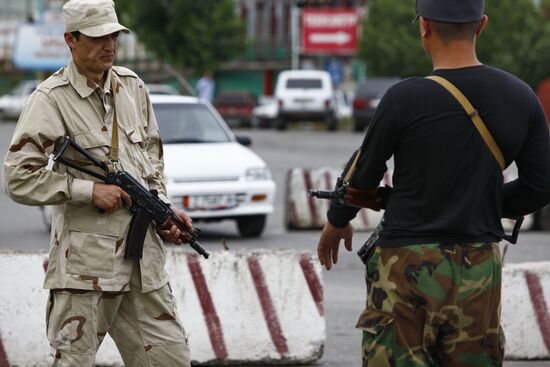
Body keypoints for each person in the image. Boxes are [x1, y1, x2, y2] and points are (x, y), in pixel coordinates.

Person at [315, 0, 550, 366]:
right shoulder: (521, 96)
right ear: (482, 25)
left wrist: (337, 220)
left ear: (423, 26)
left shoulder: (402, 98)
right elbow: (541, 184)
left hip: (405, 264)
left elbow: (362, 175)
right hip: (479, 264)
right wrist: (480, 201)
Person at [3, 0, 193, 365]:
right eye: (97, 37)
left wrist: (162, 211)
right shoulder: (50, 100)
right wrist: (87, 191)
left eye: (114, 36)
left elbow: (152, 160)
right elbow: (18, 177)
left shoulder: (133, 88)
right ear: (70, 39)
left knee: (172, 359)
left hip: (143, 268)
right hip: (86, 272)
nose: (109, 45)